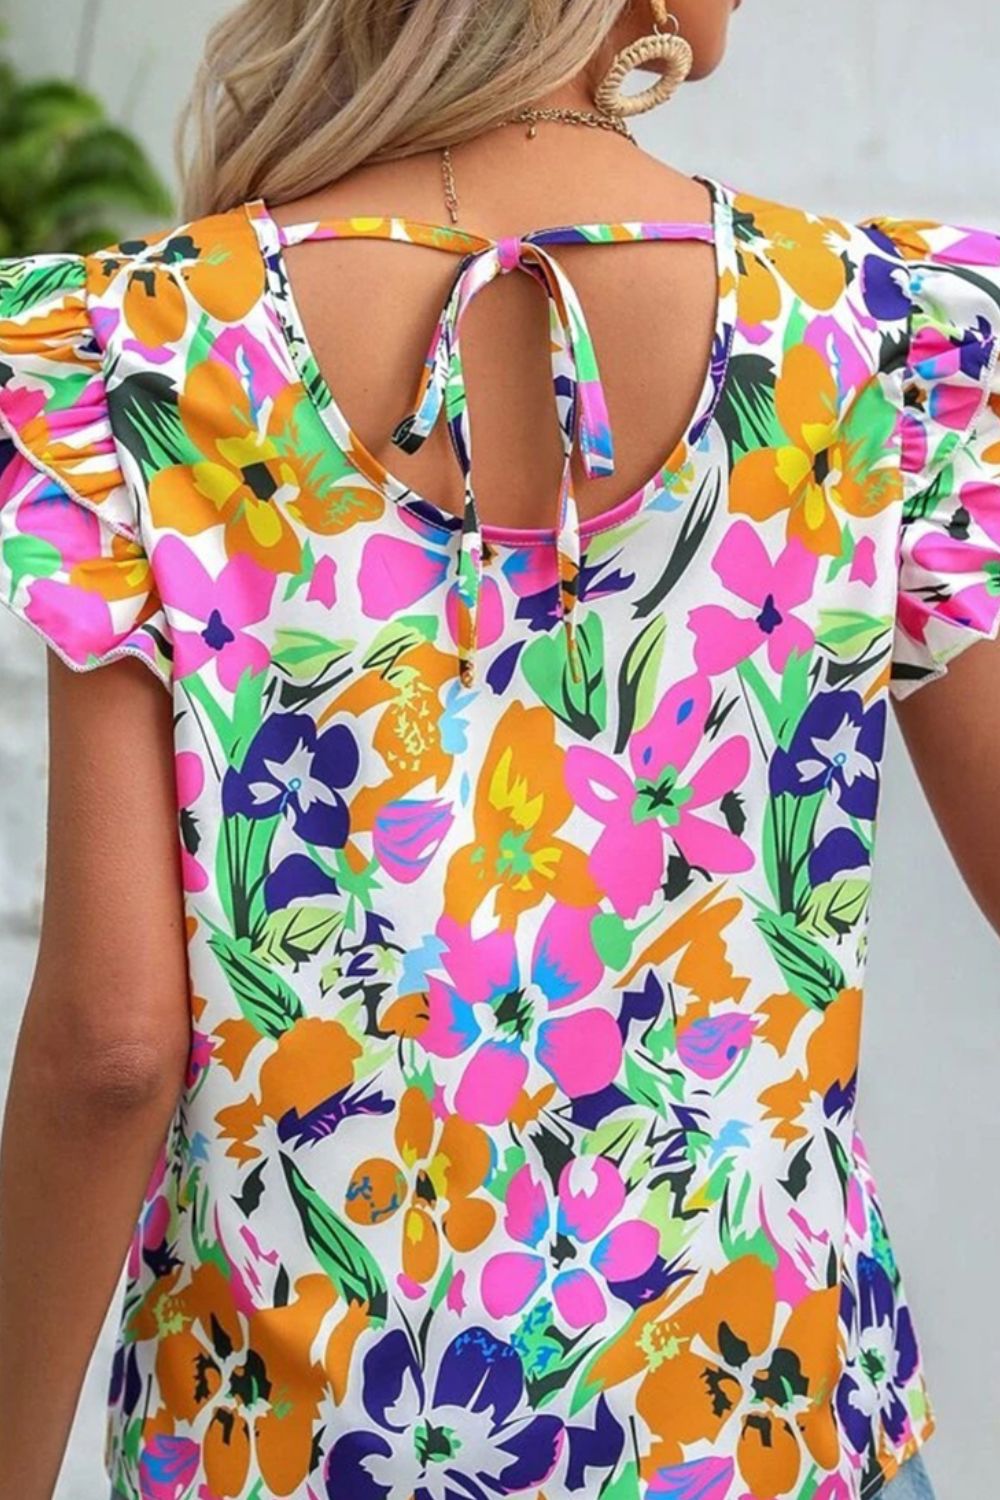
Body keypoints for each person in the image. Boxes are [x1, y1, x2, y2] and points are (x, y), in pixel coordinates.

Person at [0, 0, 995, 1495]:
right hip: (767, 1426)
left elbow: (111, 1050)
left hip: (295, 1447)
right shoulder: (878, 341)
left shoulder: (146, 355)